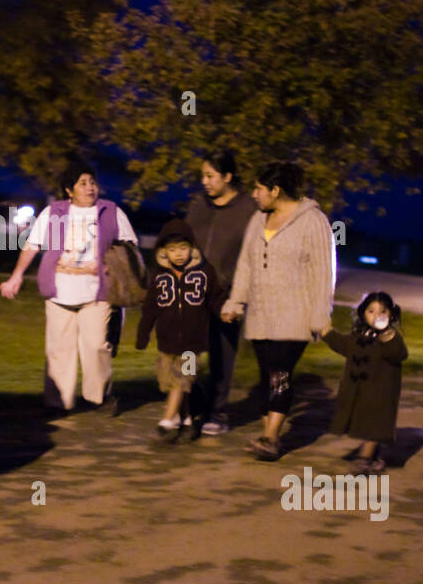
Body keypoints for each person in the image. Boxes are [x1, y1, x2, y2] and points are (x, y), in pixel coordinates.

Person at [0, 161, 139, 413]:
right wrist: (16, 275)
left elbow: (130, 245)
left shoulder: (111, 211)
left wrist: (115, 265)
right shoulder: (54, 213)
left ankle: (99, 398)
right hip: (59, 293)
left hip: (98, 293)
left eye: (93, 182)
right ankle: (58, 402)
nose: (90, 187)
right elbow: (32, 245)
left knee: (96, 346)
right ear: (69, 190)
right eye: (82, 183)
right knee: (59, 350)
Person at [220, 161, 336, 461]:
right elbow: (245, 264)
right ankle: (267, 433)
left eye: (259, 189)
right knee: (266, 375)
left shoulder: (314, 221)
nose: (254, 194)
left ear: (276, 190)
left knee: (279, 374)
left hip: (294, 316)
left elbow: (323, 273)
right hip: (261, 315)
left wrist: (320, 317)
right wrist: (236, 302)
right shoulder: (257, 220)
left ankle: (271, 437)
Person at [185, 150, 259, 435]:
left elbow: (251, 253)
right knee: (188, 352)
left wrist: (238, 291)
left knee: (221, 355)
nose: (205, 181)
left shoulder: (249, 210)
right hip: (192, 292)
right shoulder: (198, 205)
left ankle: (218, 413)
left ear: (228, 177)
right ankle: (189, 406)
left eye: (210, 176)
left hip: (227, 294)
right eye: (203, 175)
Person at [134, 219, 224, 443]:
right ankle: (186, 422)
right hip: (167, 342)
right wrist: (143, 334)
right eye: (173, 250)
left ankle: (166, 419)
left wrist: (225, 311)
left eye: (183, 248)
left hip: (194, 344)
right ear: (163, 251)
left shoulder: (205, 272)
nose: (179, 254)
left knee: (182, 379)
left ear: (192, 247)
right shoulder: (159, 276)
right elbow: (150, 308)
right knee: (169, 382)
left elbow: (216, 298)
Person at [319, 292, 407, 474]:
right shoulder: (359, 335)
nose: (377, 315)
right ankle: (373, 455)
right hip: (360, 390)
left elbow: (399, 353)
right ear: (363, 314)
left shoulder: (390, 337)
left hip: (381, 390)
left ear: (391, 314)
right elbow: (344, 345)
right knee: (364, 421)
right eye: (371, 311)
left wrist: (386, 334)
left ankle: (365, 458)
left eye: (383, 311)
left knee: (375, 423)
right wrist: (327, 333)